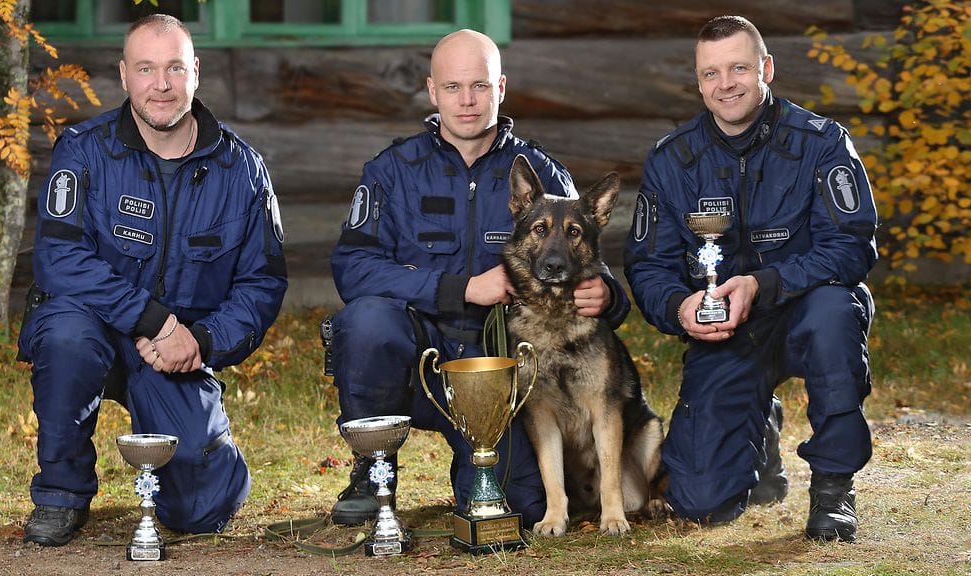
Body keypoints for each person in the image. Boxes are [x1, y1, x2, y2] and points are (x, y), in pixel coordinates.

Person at [327, 28, 631, 526]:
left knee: (519, 507)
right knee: (366, 321)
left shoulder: (542, 172)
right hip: (416, 358)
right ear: (432, 91)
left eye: (480, 86)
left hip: (501, 368)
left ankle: (474, 467)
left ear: (501, 88)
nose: (467, 101)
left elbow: (580, 249)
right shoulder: (393, 171)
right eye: (453, 87)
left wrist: (610, 296)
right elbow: (353, 268)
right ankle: (372, 469)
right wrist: (460, 289)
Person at [17, 14, 288, 546]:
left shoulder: (244, 171)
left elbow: (261, 285)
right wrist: (152, 320)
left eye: (174, 68)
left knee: (203, 510)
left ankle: (205, 460)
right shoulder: (84, 150)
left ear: (195, 72)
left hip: (178, 348)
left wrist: (202, 342)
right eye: (146, 69)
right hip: (93, 327)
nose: (161, 84)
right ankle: (61, 491)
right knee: (67, 336)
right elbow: (60, 259)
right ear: (123, 75)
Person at [624, 15, 877, 542]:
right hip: (730, 333)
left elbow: (852, 248)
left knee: (833, 312)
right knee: (700, 502)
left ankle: (833, 489)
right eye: (711, 73)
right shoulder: (673, 160)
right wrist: (678, 307)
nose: (726, 84)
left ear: (766, 68)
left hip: (806, 311)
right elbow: (647, 266)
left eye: (738, 68)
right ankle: (759, 432)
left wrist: (764, 284)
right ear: (699, 82)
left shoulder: (821, 143)